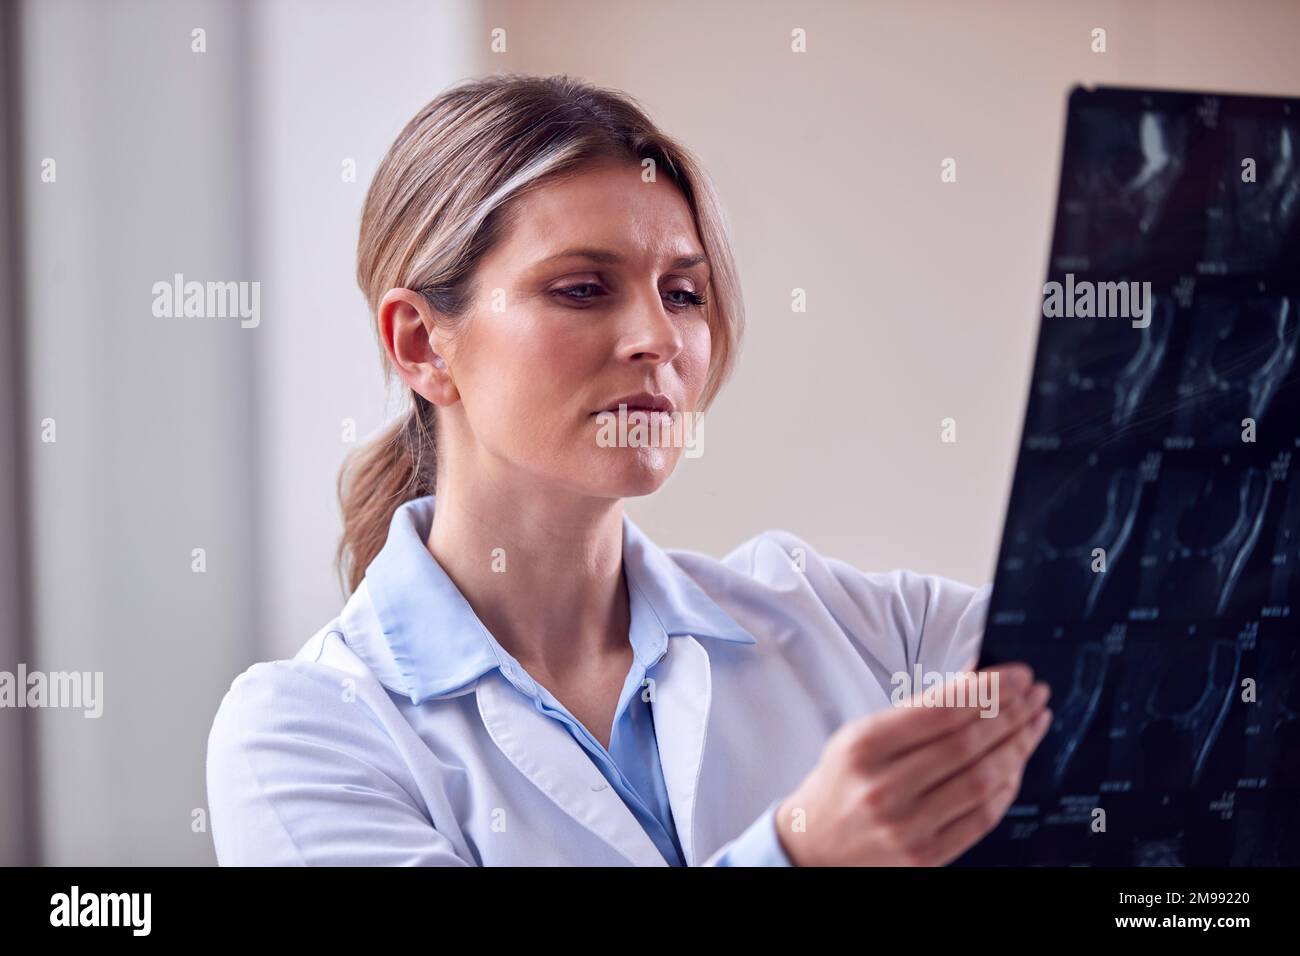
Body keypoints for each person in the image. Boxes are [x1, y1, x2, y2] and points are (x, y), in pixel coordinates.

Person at [205, 73, 1052, 866]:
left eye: (684, 294)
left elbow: (1158, 661)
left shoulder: (863, 631)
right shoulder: (306, 732)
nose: (659, 338)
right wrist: (798, 855)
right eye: (581, 289)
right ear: (422, 344)